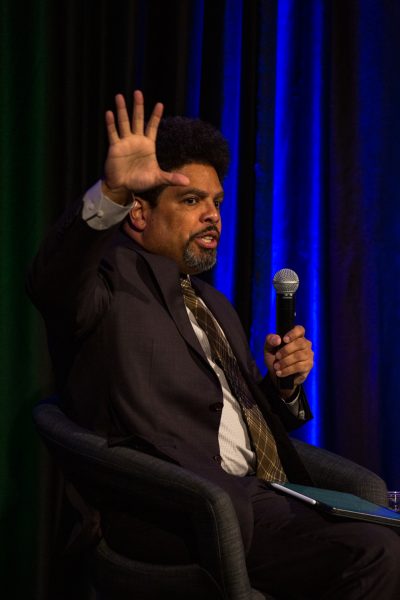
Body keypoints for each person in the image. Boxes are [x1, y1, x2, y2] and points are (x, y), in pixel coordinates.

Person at [28, 90, 400, 598]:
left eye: (216, 202)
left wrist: (283, 387)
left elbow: (240, 424)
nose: (213, 216)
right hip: (186, 511)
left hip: (257, 495)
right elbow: (52, 280)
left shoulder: (213, 303)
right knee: (378, 552)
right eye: (191, 200)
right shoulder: (105, 282)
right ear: (138, 214)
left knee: (381, 530)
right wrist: (110, 195)